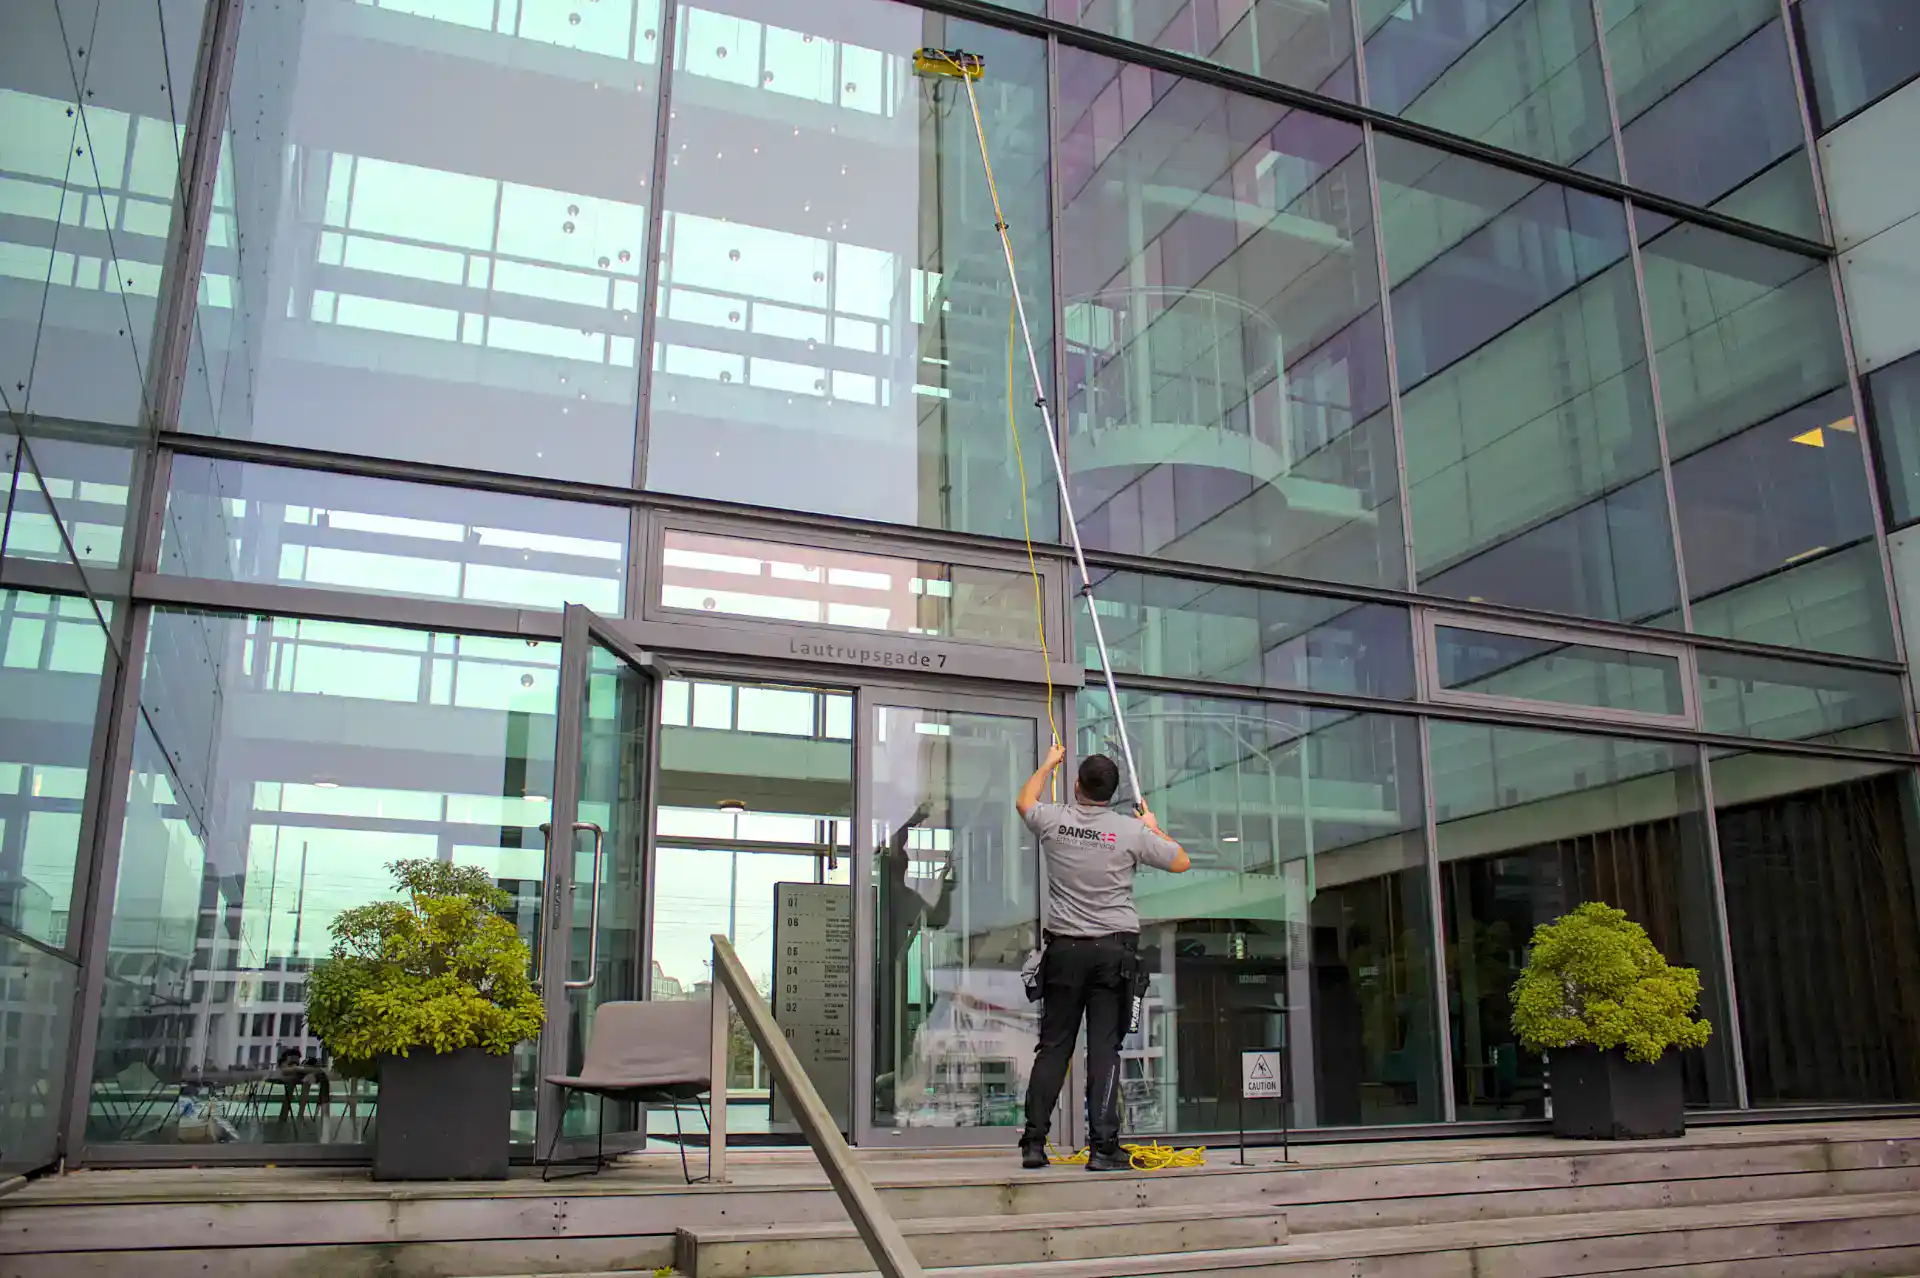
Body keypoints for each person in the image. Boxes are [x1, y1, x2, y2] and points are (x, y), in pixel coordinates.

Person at [1015, 744, 1189, 1170]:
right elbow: (1180, 861)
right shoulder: (1130, 832)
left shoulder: (1054, 820)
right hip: (1113, 952)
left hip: (1065, 951)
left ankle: (1034, 1144)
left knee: (1053, 1048)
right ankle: (1103, 1148)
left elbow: (1024, 801)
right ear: (1111, 794)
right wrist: (1153, 827)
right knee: (1104, 1050)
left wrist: (1048, 763)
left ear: (1077, 786)